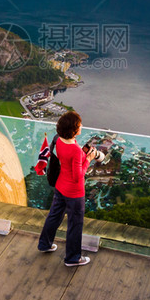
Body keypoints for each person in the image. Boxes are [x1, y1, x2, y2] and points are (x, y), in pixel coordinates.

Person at [37, 111, 97, 267]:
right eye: (79, 124)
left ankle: (45, 244)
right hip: (74, 193)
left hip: (60, 186)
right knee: (75, 224)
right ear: (73, 129)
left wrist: (83, 157)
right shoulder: (76, 150)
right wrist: (88, 160)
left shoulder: (59, 140)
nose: (82, 126)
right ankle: (72, 258)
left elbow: (68, 161)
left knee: (54, 216)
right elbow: (78, 176)